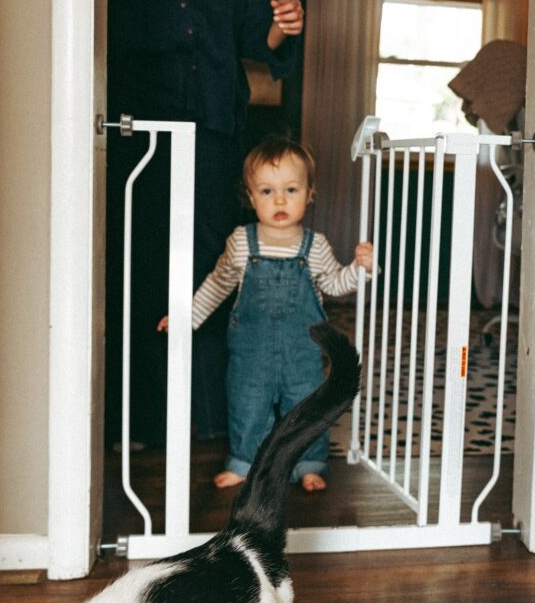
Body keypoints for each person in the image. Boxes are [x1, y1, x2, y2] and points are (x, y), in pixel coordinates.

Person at [105, 0, 304, 450]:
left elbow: (258, 30)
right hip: (132, 137)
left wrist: (281, 26)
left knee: (213, 277)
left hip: (215, 133)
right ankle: (132, 425)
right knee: (135, 278)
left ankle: (211, 425)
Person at [158, 137, 374, 491]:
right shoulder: (241, 242)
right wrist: (186, 317)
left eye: (290, 189)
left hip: (302, 352)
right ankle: (246, 461)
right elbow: (218, 283)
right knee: (247, 405)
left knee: (305, 407)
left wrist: (359, 268)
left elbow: (335, 284)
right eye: (267, 191)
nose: (279, 200)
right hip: (251, 352)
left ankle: (308, 464)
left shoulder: (315, 246)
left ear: (309, 194)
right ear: (250, 196)